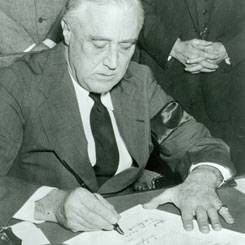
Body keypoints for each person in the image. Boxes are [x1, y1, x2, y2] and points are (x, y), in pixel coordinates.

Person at [0, 0, 236, 235]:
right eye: (99, 44)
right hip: (42, 230)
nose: (113, 63)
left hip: (131, 225)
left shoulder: (139, 82)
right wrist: (52, 204)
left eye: (126, 46)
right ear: (67, 31)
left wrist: (202, 178)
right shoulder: (16, 84)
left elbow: (195, 141)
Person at [138, 0, 245, 175]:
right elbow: (133, 6)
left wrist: (228, 49)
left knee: (229, 177)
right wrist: (173, 46)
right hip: (163, 83)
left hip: (232, 89)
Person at [0, 0, 66, 67]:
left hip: (63, 52)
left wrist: (50, 41)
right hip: (10, 58)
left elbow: (73, 4)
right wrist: (26, 48)